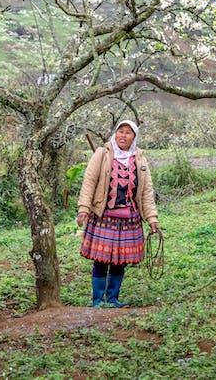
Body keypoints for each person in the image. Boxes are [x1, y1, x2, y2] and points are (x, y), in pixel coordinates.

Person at [77, 120, 159, 307]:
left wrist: (152, 218)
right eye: (120, 131)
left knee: (120, 261)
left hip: (129, 218)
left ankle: (112, 299)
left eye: (128, 133)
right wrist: (83, 208)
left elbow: (146, 191)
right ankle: (98, 300)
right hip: (103, 216)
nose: (123, 135)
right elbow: (89, 182)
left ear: (134, 137)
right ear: (115, 134)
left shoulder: (140, 160)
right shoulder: (102, 154)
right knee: (101, 259)